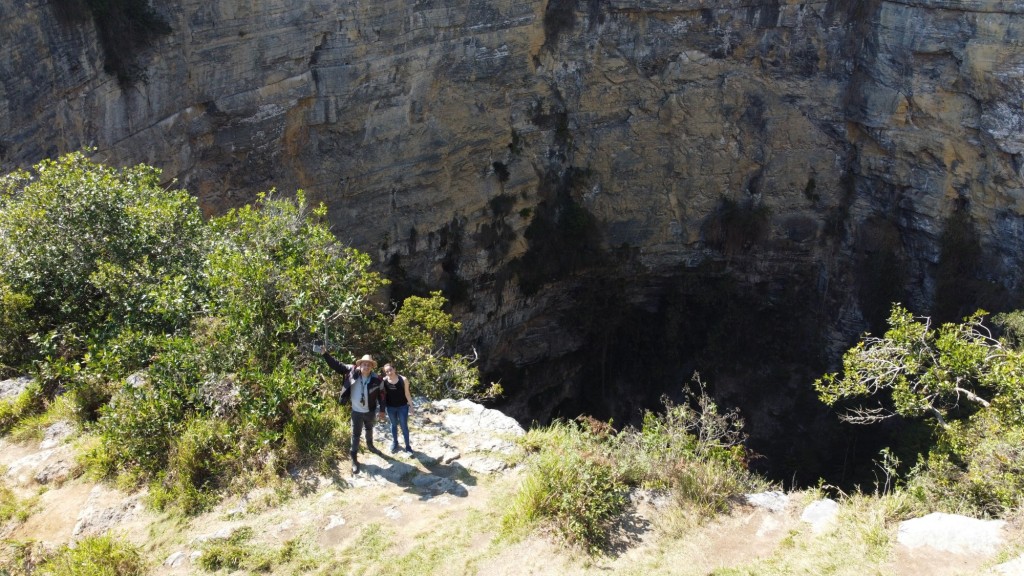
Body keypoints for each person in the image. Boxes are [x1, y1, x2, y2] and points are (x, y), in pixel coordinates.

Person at [319, 351, 385, 474]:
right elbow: (336, 365)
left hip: (370, 411)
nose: (366, 366)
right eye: (364, 364)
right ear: (360, 365)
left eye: (369, 365)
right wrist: (324, 353)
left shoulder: (377, 379)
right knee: (355, 435)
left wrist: (382, 410)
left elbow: (382, 395)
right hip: (356, 412)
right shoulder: (352, 371)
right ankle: (354, 459)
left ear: (372, 367)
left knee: (369, 428)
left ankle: (370, 446)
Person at [381, 363, 413, 453]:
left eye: (390, 370)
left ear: (394, 369)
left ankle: (408, 446)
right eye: (387, 371)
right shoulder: (384, 381)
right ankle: (395, 443)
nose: (389, 372)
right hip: (390, 407)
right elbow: (382, 395)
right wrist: (382, 409)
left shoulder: (403, 379)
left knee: (404, 426)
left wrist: (411, 406)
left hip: (403, 407)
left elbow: (407, 394)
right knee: (393, 425)